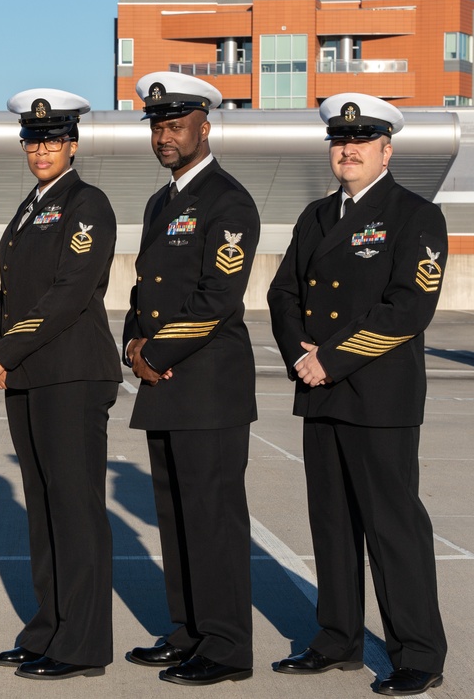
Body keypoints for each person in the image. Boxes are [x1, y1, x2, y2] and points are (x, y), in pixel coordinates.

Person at [267, 92, 448, 696]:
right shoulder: (316, 216)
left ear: (386, 148)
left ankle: (418, 652)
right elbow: (282, 294)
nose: (347, 150)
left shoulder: (416, 215)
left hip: (378, 397)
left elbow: (408, 309)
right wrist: (300, 356)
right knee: (332, 526)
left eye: (361, 141)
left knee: (393, 529)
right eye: (340, 142)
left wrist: (333, 359)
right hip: (320, 392)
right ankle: (337, 638)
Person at [122, 72, 258, 687]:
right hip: (164, 384)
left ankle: (227, 646)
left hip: (208, 386)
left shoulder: (228, 201)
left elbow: (218, 296)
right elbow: (143, 288)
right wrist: (132, 344)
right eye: (157, 126)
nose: (164, 136)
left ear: (205, 126)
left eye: (175, 125)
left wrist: (158, 350)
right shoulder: (161, 202)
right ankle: (189, 630)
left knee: (214, 520)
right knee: (176, 515)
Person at [0, 88, 121, 680]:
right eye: (32, 140)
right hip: (32, 377)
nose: (41, 149)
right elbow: (10, 293)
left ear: (72, 143)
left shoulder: (86, 203)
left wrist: (4, 350)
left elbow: (67, 293)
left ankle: (82, 643)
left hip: (71, 373)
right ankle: (49, 626)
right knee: (42, 507)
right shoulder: (31, 206)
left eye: (53, 139)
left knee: (75, 508)